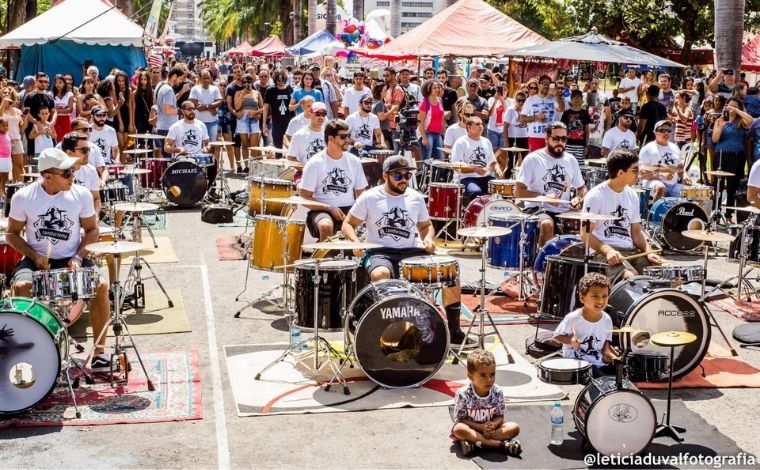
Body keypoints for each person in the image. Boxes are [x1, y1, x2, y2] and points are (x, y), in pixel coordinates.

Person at [342, 155, 473, 346]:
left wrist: (428, 238)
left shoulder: (416, 197)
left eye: (407, 175)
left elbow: (426, 226)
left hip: (410, 251)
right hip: (379, 251)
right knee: (380, 274)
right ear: (385, 176)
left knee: (450, 269)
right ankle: (389, 332)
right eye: (398, 176)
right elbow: (348, 224)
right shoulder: (370, 197)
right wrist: (355, 242)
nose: (404, 179)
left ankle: (454, 330)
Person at [6, 148, 111, 373]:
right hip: (37, 259)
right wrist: (34, 256)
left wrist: (78, 256)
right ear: (48, 176)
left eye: (72, 171)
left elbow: (92, 230)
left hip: (73, 257)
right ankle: (27, 355)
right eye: (67, 173)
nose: (73, 175)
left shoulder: (81, 194)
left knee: (101, 286)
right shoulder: (23, 197)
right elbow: (11, 234)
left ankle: (100, 354)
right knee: (22, 287)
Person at [582, 149, 662, 282]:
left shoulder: (632, 195)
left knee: (659, 276)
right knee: (631, 278)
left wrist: (649, 251)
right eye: (635, 170)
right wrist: (608, 251)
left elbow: (636, 232)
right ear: (620, 172)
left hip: (630, 251)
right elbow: (585, 234)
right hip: (602, 253)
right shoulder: (595, 195)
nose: (639, 173)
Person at [515, 122, 585, 247]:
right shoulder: (533, 159)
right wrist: (544, 197)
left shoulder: (571, 160)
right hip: (538, 209)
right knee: (547, 224)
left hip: (564, 211)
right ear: (546, 139)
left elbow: (581, 188)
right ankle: (542, 263)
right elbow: (518, 192)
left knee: (588, 224)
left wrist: (578, 198)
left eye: (564, 139)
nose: (560, 142)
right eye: (556, 138)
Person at [299, 119, 368, 241]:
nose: (347, 140)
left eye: (348, 136)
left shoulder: (354, 161)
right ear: (330, 139)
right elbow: (304, 198)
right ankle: (325, 257)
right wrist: (329, 208)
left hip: (349, 209)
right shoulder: (315, 163)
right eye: (343, 137)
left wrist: (363, 214)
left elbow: (361, 194)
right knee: (326, 225)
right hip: (321, 210)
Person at [451, 349, 521, 457]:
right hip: (472, 430)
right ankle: (501, 445)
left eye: (492, 374)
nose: (489, 379)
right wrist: (480, 427)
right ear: (470, 376)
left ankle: (475, 443)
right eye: (483, 375)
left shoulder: (497, 392)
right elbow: (460, 419)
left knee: (514, 427)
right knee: (458, 429)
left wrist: (493, 424)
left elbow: (499, 416)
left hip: (492, 432)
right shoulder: (463, 394)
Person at [552, 272, 619, 377]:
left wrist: (606, 352)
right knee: (603, 381)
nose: (601, 301)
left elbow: (606, 340)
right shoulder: (573, 318)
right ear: (582, 297)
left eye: (604, 296)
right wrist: (570, 340)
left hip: (597, 361)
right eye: (595, 296)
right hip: (577, 362)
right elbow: (556, 336)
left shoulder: (607, 320)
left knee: (623, 372)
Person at [712, 97, 754, 215]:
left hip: (736, 156)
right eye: (729, 105)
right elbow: (715, 139)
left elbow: (750, 121)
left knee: (732, 186)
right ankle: (716, 211)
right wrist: (720, 126)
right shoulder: (720, 120)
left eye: (735, 106)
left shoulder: (741, 121)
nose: (731, 108)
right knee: (718, 185)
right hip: (721, 154)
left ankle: (729, 213)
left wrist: (737, 110)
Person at [450, 116, 496, 203]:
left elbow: (492, 162)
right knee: (476, 191)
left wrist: (496, 170)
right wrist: (475, 169)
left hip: (485, 177)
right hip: (466, 178)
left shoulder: (486, 142)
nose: (481, 126)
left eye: (482, 124)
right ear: (469, 127)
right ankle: (475, 214)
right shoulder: (461, 142)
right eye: (477, 124)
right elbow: (456, 165)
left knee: (499, 189)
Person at [639, 119, 687, 202]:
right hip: (652, 182)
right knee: (661, 188)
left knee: (689, 193)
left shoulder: (675, 148)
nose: (666, 133)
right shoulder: (647, 149)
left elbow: (680, 168)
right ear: (655, 132)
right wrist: (661, 175)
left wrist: (685, 176)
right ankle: (653, 213)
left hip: (673, 185)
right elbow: (642, 173)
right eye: (662, 130)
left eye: (668, 131)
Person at [520, 75, 565, 152]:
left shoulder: (554, 99)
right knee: (535, 161)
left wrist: (557, 95)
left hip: (550, 137)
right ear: (539, 85)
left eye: (548, 84)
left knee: (550, 161)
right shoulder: (530, 100)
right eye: (543, 83)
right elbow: (521, 119)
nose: (546, 86)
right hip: (534, 137)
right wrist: (536, 117)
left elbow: (562, 109)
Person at [62, 132, 102, 216]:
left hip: (86, 218)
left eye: (88, 149)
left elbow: (96, 199)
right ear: (69, 153)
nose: (87, 153)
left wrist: (95, 217)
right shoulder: (56, 171)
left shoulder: (91, 170)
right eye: (84, 150)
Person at [155, 66, 183, 158]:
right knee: (169, 159)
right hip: (167, 128)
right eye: (179, 79)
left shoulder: (161, 85)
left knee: (167, 158)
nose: (180, 81)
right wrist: (181, 111)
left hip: (163, 126)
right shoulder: (168, 90)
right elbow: (168, 110)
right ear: (174, 76)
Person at [262, 69, 294, 149]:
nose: (280, 82)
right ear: (275, 80)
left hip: (288, 122)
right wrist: (264, 124)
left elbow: (293, 106)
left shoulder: (290, 89)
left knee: (291, 147)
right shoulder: (270, 90)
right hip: (276, 123)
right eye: (278, 80)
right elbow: (265, 107)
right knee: (277, 147)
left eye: (282, 80)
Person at [560, 89, 590, 164]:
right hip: (568, 145)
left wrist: (586, 146)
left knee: (580, 167)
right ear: (571, 99)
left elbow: (587, 130)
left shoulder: (585, 113)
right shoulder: (566, 113)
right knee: (566, 165)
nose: (576, 99)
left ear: (582, 99)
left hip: (580, 146)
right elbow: (563, 130)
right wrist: (562, 144)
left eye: (579, 97)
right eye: (574, 97)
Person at [417, 80, 445, 160]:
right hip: (427, 133)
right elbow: (420, 123)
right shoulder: (424, 103)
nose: (437, 90)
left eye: (438, 88)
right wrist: (424, 138)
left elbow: (441, 117)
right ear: (428, 89)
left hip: (438, 133)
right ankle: (424, 172)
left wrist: (444, 131)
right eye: (434, 88)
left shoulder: (439, 100)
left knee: (440, 159)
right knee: (426, 160)